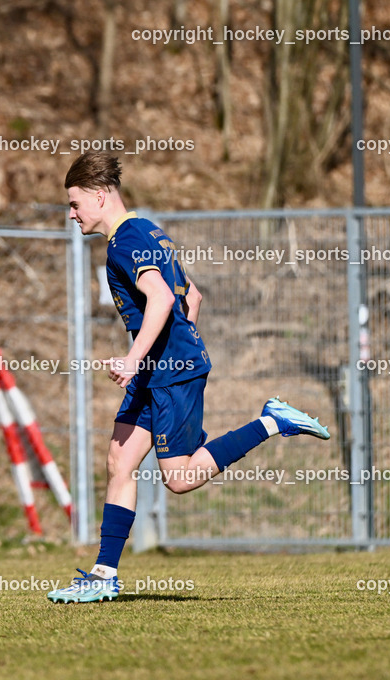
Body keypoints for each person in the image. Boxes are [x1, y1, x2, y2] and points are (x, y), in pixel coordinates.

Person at [47, 152, 331, 604]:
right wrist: (168, 352)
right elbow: (191, 296)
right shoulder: (148, 230)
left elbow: (161, 299)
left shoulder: (125, 241)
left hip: (168, 374)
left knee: (178, 479)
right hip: (163, 368)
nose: (72, 214)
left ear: (100, 197)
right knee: (120, 462)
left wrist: (136, 358)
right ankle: (103, 575)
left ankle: (273, 421)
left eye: (76, 203)